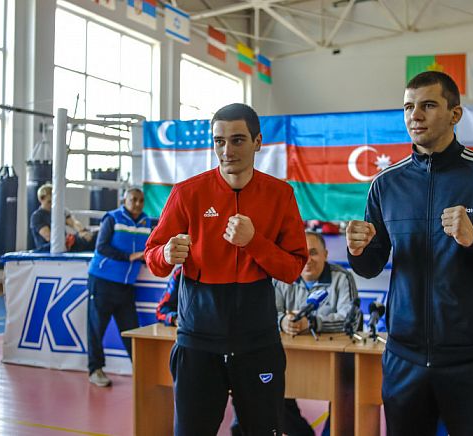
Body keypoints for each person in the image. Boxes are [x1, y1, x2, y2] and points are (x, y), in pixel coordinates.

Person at [346, 71, 473, 436]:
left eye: (428, 105)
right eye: (408, 107)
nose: (415, 116)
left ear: (455, 114)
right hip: (404, 358)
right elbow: (371, 266)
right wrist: (357, 251)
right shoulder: (386, 184)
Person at [145, 103, 308, 435]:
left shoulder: (280, 195)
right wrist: (166, 253)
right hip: (198, 341)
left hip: (257, 342)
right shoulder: (187, 193)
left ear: (258, 142)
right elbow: (153, 258)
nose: (226, 150)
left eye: (237, 140)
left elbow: (293, 269)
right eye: (219, 141)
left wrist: (254, 242)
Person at [274, 230, 358, 436]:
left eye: (313, 253)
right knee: (271, 393)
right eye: (302, 253)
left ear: (325, 254)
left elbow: (351, 320)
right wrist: (283, 321)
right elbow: (266, 314)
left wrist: (311, 323)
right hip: (289, 358)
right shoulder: (282, 277)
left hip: (337, 361)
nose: (307, 259)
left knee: (346, 398)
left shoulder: (342, 278)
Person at [86, 188, 150, 387]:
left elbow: (148, 249)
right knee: (96, 328)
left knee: (131, 331)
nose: (137, 203)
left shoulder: (147, 222)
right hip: (103, 281)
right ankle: (95, 370)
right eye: (133, 199)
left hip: (126, 286)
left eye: (141, 200)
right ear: (124, 200)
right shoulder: (112, 218)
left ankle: (141, 372)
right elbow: (101, 247)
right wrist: (129, 257)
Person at [29, 183, 95, 252]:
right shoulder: (37, 216)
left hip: (64, 244)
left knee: (92, 237)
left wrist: (83, 232)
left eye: (54, 201)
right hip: (47, 249)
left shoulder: (60, 211)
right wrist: (70, 240)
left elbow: (73, 223)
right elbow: (49, 237)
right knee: (78, 240)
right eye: (49, 202)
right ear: (41, 199)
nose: (52, 204)